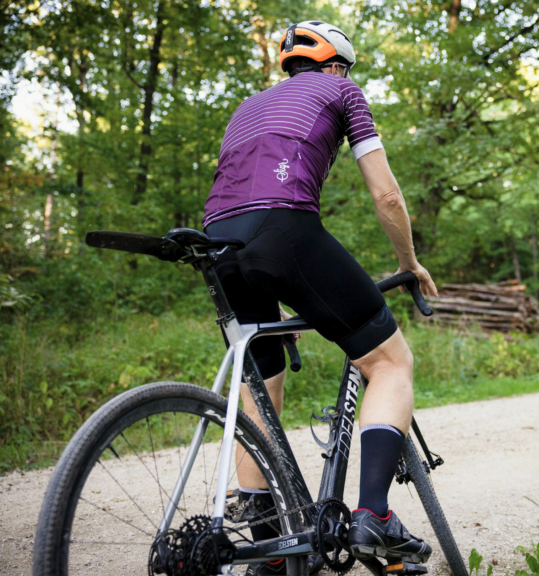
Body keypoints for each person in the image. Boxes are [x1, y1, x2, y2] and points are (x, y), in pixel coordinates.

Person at [202, 19, 438, 576]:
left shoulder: (246, 107)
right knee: (389, 361)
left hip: (216, 242)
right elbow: (385, 192)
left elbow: (242, 196)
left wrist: (269, 279)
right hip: (284, 232)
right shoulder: (342, 90)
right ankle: (373, 516)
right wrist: (408, 262)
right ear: (336, 65)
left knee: (260, 383)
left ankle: (267, 548)